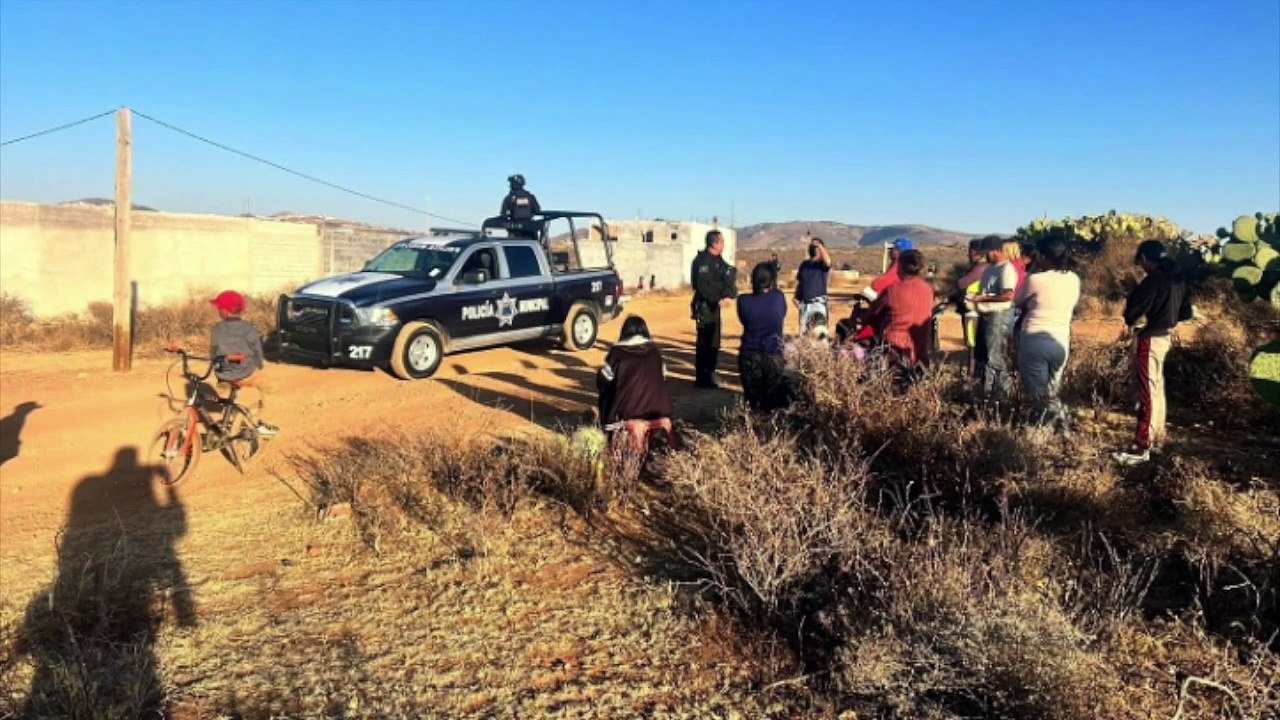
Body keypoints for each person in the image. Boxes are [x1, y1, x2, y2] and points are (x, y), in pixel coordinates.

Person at [1113, 240, 1193, 466]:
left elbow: (1133, 312)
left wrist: (1135, 308)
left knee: (1147, 392)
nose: (1141, 267)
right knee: (1157, 390)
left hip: (1150, 338)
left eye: (1141, 262)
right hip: (1165, 337)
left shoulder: (1154, 280)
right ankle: (1157, 439)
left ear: (1147, 259)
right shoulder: (1177, 279)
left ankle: (1141, 446)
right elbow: (1186, 312)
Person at [1014, 234, 1080, 433]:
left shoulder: (1035, 279)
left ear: (1043, 255)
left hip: (1034, 339)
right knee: (1052, 390)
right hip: (1061, 340)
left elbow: (1017, 302)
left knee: (1039, 396)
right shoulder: (1074, 278)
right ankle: (1062, 429)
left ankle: (1042, 434)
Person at [596, 316, 674, 453]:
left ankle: (608, 430)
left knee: (607, 393)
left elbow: (602, 382)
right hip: (659, 412)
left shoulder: (617, 354)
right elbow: (663, 379)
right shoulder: (655, 353)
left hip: (627, 414)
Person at [209, 290, 278, 436]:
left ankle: (229, 405)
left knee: (228, 386)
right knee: (270, 388)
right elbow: (258, 352)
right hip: (245, 374)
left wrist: (219, 369)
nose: (218, 311)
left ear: (226, 311)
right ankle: (259, 422)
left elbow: (213, 352)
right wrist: (259, 365)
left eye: (219, 308)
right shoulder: (250, 328)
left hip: (223, 374)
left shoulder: (216, 329)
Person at [865, 249, 935, 370]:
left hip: (894, 347)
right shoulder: (928, 290)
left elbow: (874, 311)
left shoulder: (892, 290)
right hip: (920, 346)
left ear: (900, 267)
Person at [968, 235, 1019, 401]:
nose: (984, 256)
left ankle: (1000, 396)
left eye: (986, 252)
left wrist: (982, 299)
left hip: (999, 318)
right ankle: (983, 393)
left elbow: (1008, 295)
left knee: (995, 358)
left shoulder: (1006, 269)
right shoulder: (990, 268)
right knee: (982, 355)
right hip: (985, 315)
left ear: (996, 250)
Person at [737, 263, 790, 412]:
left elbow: (744, 321)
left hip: (749, 355)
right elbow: (782, 314)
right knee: (774, 400)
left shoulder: (743, 300)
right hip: (773, 354)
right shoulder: (778, 297)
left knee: (753, 401)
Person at [690, 230, 738, 388]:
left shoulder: (717, 260)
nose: (723, 245)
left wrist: (728, 293)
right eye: (722, 242)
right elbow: (702, 286)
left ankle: (710, 373)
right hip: (705, 307)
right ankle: (702, 378)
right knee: (705, 343)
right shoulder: (703, 261)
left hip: (714, 307)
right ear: (715, 243)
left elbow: (726, 274)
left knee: (714, 342)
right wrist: (717, 298)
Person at [793, 236, 832, 334]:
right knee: (804, 334)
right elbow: (801, 282)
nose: (815, 248)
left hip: (819, 303)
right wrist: (796, 297)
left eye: (817, 247)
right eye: (813, 246)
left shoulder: (822, 264)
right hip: (805, 304)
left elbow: (828, 262)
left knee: (819, 334)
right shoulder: (804, 264)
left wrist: (819, 245)